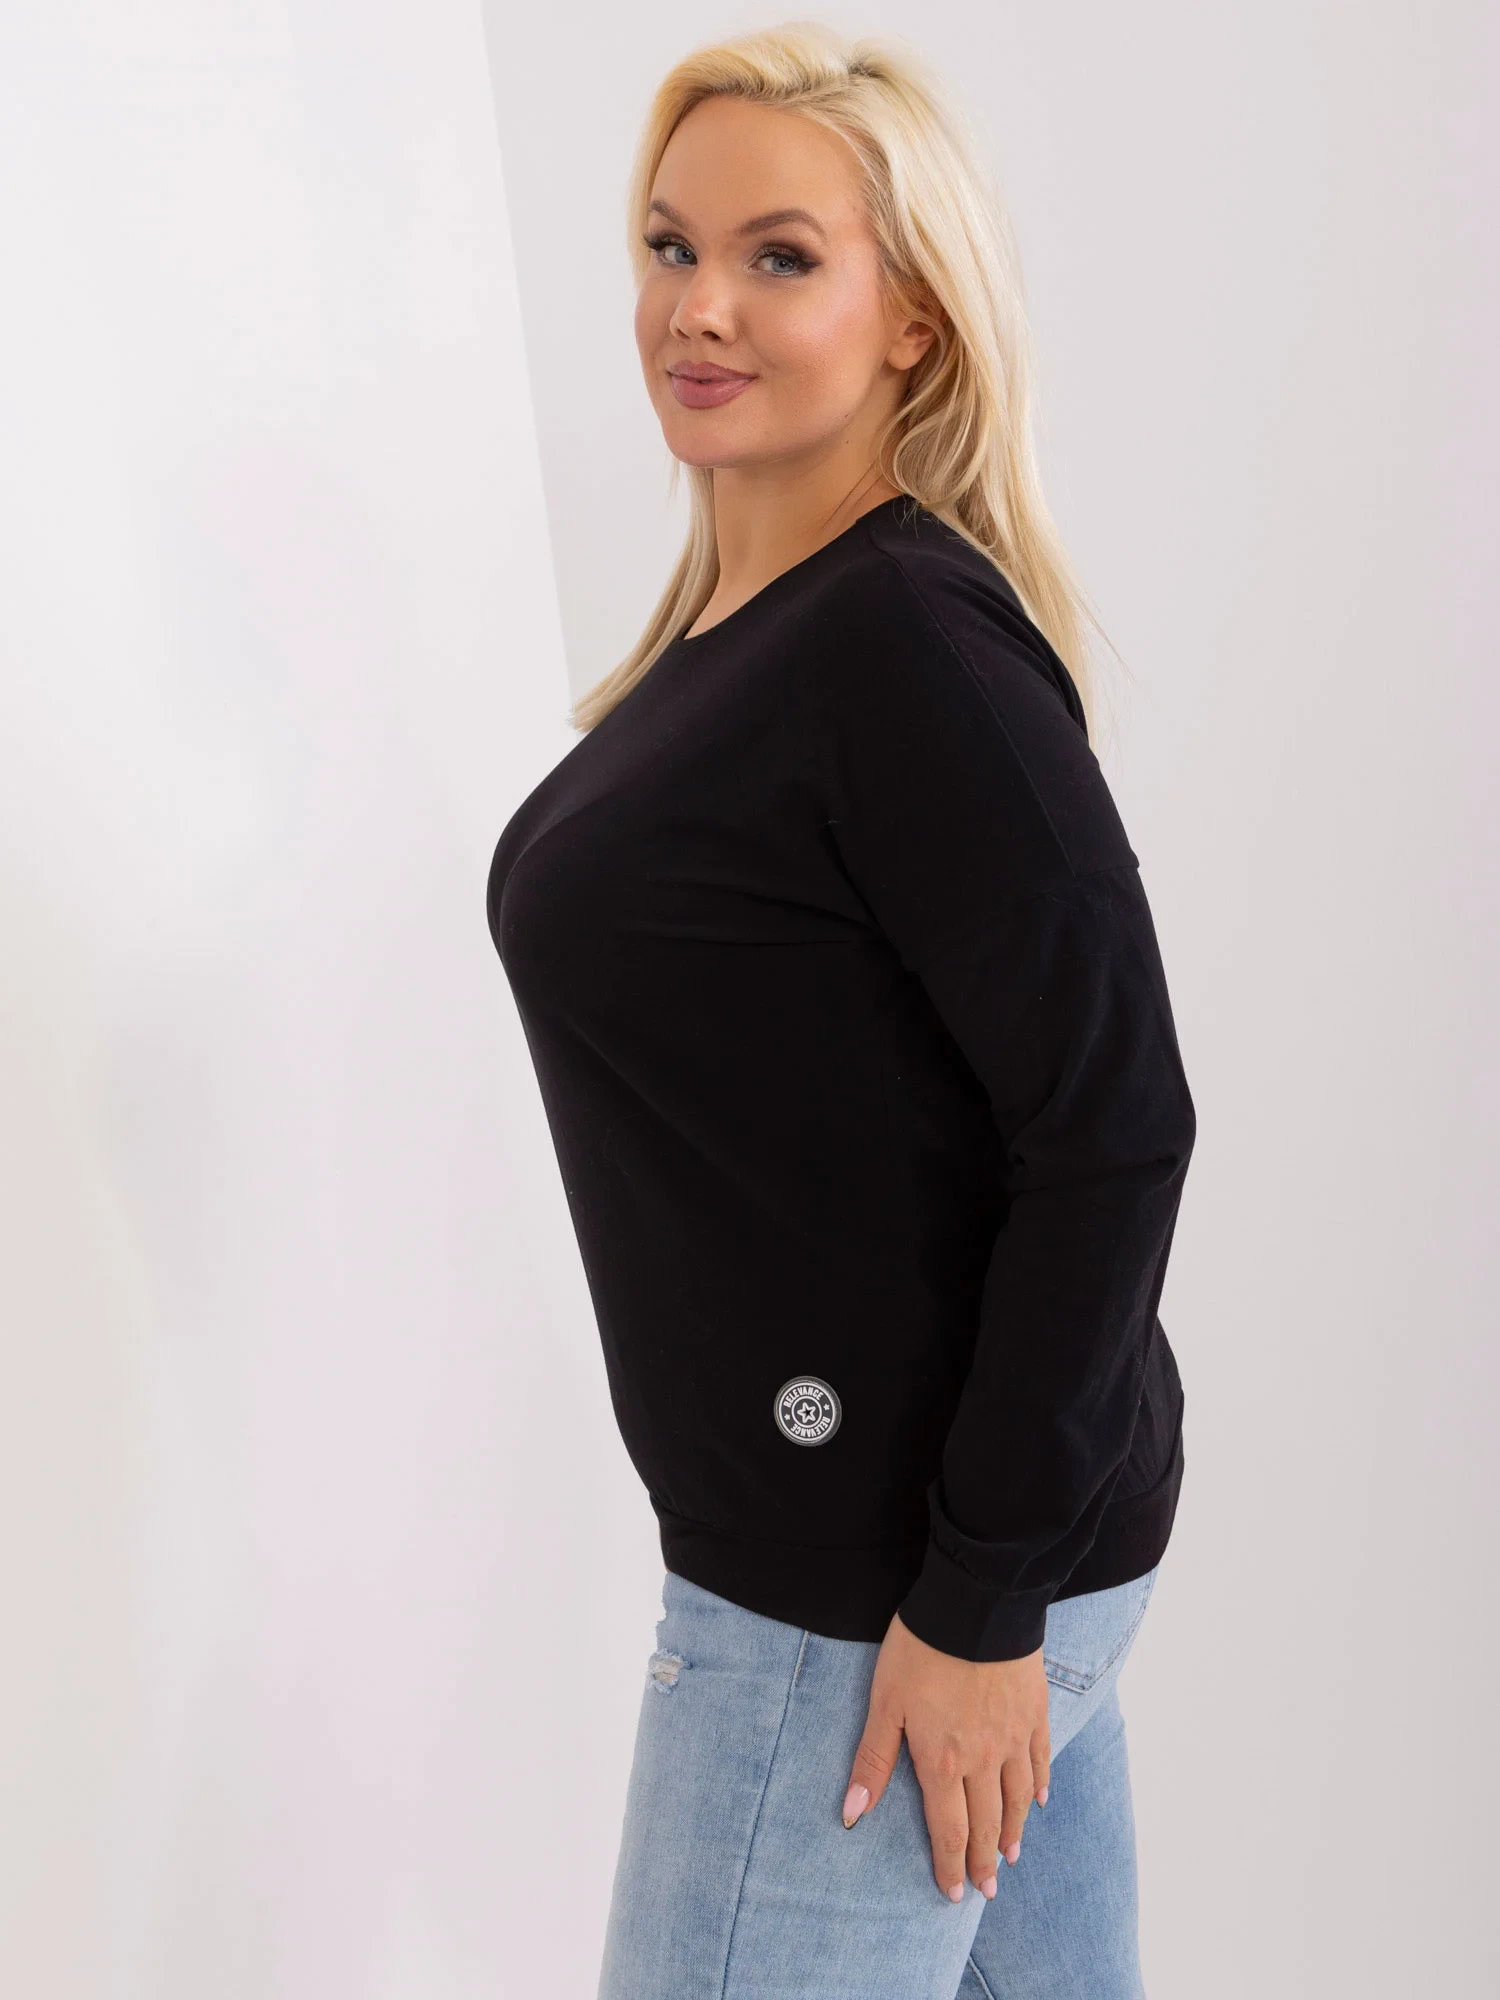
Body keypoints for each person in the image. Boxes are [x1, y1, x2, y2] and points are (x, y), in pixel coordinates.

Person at [486, 23, 1196, 1999]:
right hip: (927, 1564)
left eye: (780, 257)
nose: (697, 306)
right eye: (668, 245)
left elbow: (1114, 1124)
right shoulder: (760, 628)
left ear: (912, 320)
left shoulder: (904, 647)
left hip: (867, 1608)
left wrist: (973, 1606)